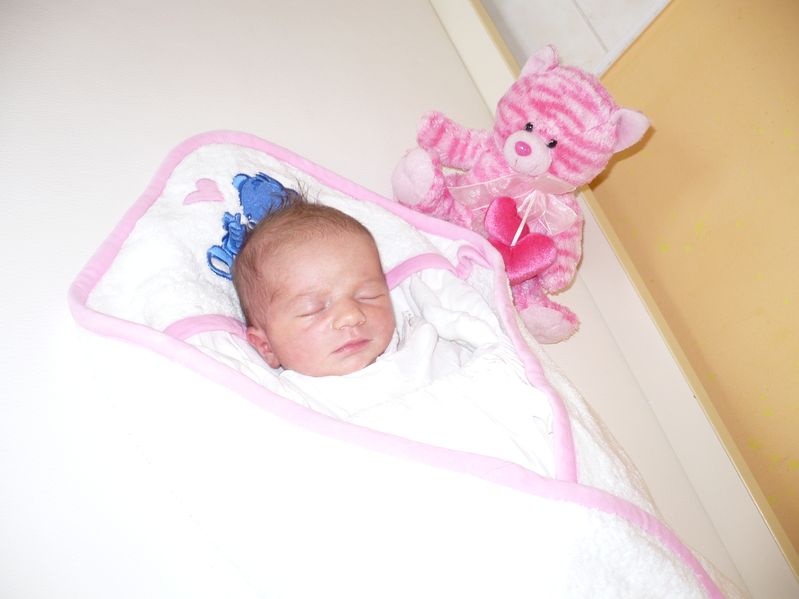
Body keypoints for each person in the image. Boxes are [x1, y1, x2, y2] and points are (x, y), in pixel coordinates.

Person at [232, 193, 396, 377]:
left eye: (367, 296)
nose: (351, 316)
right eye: (313, 309)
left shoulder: (418, 343)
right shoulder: (275, 393)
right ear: (267, 346)